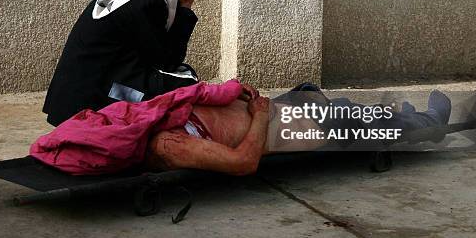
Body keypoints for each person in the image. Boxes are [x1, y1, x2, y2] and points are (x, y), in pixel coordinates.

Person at [43, 0, 207, 126]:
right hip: (90, 100)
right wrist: (186, 6)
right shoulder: (149, 2)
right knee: (186, 84)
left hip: (71, 98)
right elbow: (167, 61)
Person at [144, 84, 452, 176]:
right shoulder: (169, 144)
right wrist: (261, 115)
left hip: (285, 111)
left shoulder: (157, 114)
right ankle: (430, 122)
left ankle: (404, 117)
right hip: (294, 129)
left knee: (341, 104)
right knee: (357, 118)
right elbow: (243, 162)